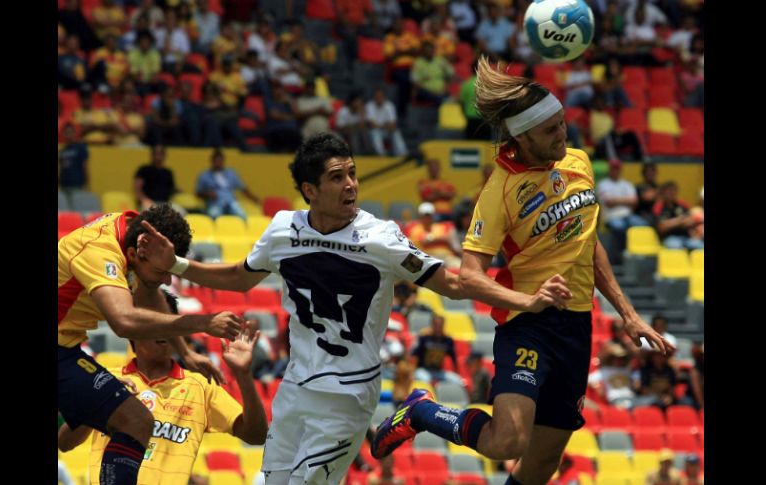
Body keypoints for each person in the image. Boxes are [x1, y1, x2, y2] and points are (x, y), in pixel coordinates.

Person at [137, 132, 574, 485]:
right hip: (294, 389)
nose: (350, 185)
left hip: (348, 394)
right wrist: (175, 264)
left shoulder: (380, 237)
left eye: (352, 173)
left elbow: (456, 285)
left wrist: (525, 301)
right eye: (336, 177)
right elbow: (237, 276)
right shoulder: (282, 231)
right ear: (310, 190)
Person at [370, 57, 672, 484]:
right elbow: (469, 276)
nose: (562, 135)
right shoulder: (499, 191)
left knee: (544, 463)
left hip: (577, 327)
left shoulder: (578, 163)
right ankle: (422, 411)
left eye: (562, 124)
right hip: (527, 326)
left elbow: (588, 242)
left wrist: (627, 312)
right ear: (522, 136)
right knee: (507, 441)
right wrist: (527, 301)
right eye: (550, 131)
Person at [58, 205, 243, 485]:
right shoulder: (99, 250)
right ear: (135, 253)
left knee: (136, 422)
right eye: (164, 271)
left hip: (65, 349)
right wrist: (203, 322)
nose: (169, 279)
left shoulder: (138, 235)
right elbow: (123, 321)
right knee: (134, 421)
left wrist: (185, 351)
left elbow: (151, 293)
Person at [58, 291, 268, 485]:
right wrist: (101, 400)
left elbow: (256, 435)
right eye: (155, 321)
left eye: (169, 322)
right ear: (132, 327)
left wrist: (243, 375)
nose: (164, 330)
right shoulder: (106, 378)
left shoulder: (200, 387)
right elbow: (64, 443)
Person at [195, 148, 259, 219]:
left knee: (242, 215)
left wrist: (255, 199)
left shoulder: (231, 173)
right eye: (216, 161)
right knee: (214, 215)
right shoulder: (204, 175)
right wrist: (207, 194)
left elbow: (243, 189)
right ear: (212, 161)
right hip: (215, 203)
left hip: (231, 201)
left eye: (220, 161)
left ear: (223, 161)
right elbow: (198, 193)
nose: (218, 163)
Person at [134, 144, 177, 209]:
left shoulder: (168, 172)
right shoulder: (144, 170)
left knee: (180, 211)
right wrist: (144, 200)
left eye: (160, 154)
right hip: (148, 202)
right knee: (150, 211)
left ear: (164, 156)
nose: (158, 157)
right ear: (152, 155)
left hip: (165, 203)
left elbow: (171, 189)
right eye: (156, 154)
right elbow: (137, 188)